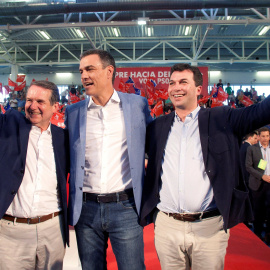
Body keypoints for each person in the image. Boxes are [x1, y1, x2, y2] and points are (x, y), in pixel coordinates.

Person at [140, 63, 270, 270]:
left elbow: (261, 112)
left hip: (209, 227)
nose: (176, 88)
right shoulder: (157, 126)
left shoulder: (222, 118)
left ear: (199, 89)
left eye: (184, 82)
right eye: (172, 83)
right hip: (167, 226)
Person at [65, 49, 152, 270]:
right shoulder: (73, 112)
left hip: (126, 207)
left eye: (90, 69)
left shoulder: (137, 105)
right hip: (86, 210)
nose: (84, 75)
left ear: (109, 71)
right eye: (81, 70)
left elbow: (153, 142)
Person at [0, 80, 69, 270]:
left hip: (53, 230)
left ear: (55, 106)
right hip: (11, 233)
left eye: (40, 101)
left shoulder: (63, 138)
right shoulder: (9, 126)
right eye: (29, 100)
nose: (33, 106)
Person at [246, 127, 270, 244]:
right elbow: (248, 167)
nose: (265, 139)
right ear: (259, 137)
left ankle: (268, 235)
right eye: (263, 136)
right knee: (258, 210)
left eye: (267, 136)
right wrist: (262, 176)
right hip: (258, 184)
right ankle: (258, 234)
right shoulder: (252, 149)